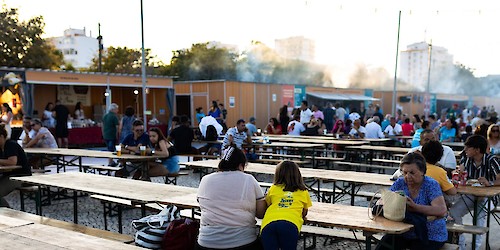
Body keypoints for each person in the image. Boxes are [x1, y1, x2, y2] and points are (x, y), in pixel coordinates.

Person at [197, 146, 267, 249]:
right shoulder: (249, 179)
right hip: (242, 241)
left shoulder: (205, 179)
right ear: (240, 165)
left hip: (207, 241)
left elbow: (202, 204)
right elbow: (261, 214)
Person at [376, 152, 448, 250]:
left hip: (430, 234)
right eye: (405, 173)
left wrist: (415, 207)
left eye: (412, 173)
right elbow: (381, 201)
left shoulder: (431, 185)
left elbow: (441, 210)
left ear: (422, 171)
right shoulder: (400, 183)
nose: (408, 176)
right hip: (403, 232)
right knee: (383, 247)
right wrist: (391, 200)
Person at [450, 135, 500, 250]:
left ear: (477, 150)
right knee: (453, 212)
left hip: (489, 197)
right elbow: (460, 170)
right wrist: (458, 173)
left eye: (468, 148)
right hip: (471, 194)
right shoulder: (466, 159)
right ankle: (461, 244)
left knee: (479, 215)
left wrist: (490, 183)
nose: (465, 150)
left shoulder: (491, 160)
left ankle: (475, 247)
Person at [260, 161, 312, 249]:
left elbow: (268, 204)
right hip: (290, 224)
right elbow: (305, 211)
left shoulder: (273, 188)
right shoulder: (303, 191)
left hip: (268, 223)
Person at [0, 124, 31, 208]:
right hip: (8, 175)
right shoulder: (1, 148)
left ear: (2, 137)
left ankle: (7, 212)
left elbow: (12, 162)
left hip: (20, 176)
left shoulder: (10, 144)